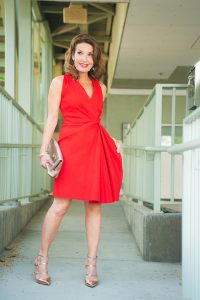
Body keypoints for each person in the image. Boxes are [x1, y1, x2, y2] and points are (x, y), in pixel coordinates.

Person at [34, 34, 123, 288]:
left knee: (94, 206)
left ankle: (92, 264)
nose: (85, 58)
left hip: (96, 147)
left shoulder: (101, 88)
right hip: (71, 147)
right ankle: (42, 258)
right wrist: (44, 151)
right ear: (72, 55)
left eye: (90, 54)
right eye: (80, 53)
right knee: (60, 206)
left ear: (95, 60)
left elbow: (95, 122)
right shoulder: (59, 82)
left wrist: (112, 139)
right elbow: (52, 119)